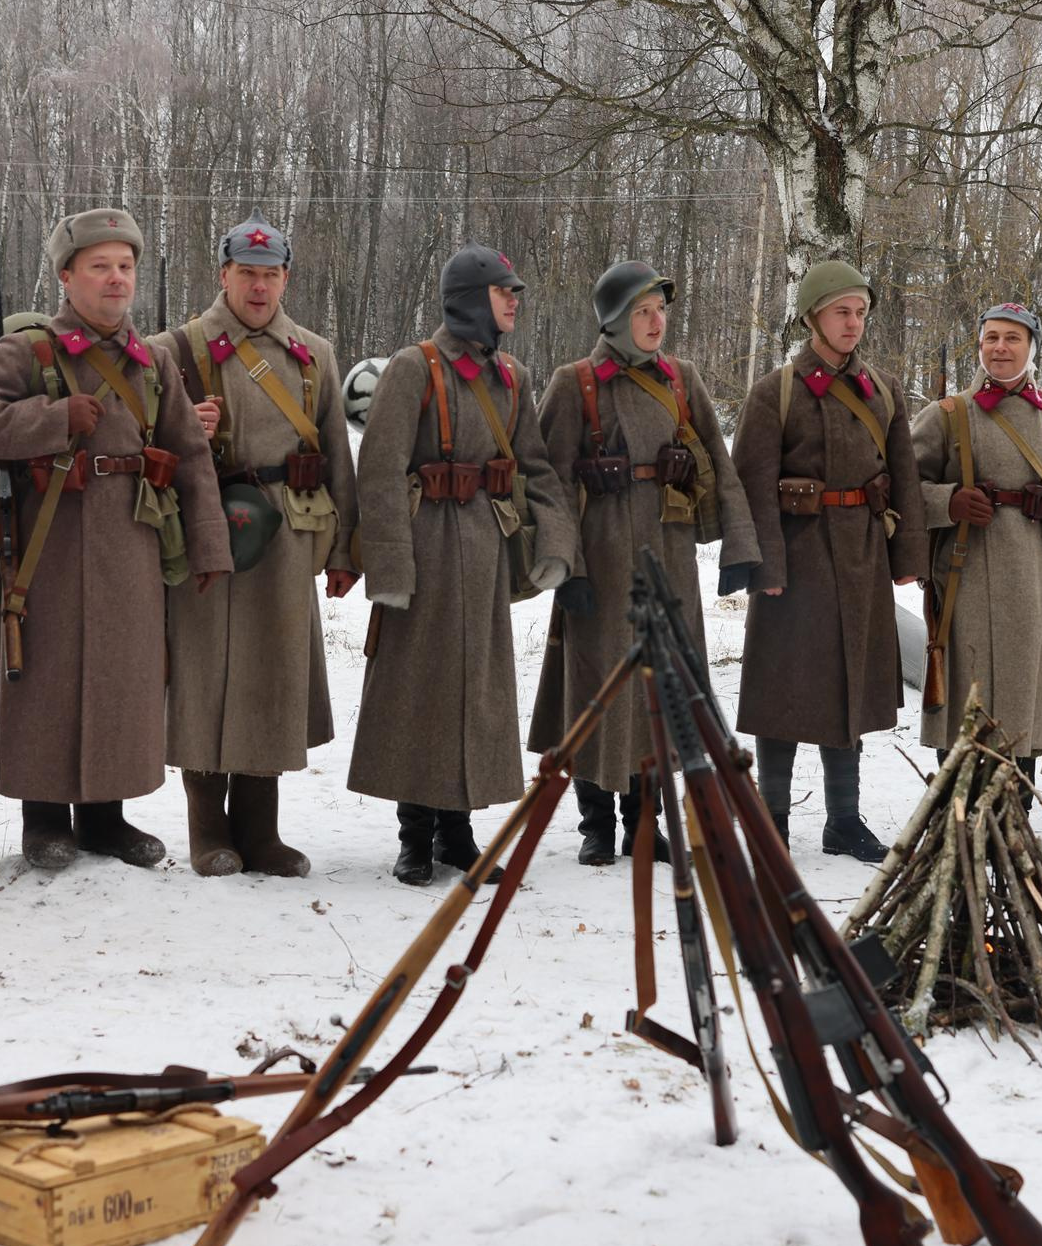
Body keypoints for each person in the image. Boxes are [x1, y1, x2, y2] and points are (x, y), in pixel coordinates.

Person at [0, 210, 231, 869]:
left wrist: (210, 546)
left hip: (133, 544)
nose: (116, 279)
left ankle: (106, 818)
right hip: (50, 546)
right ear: (67, 276)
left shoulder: (154, 360)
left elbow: (189, 456)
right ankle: (44, 822)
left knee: (123, 679)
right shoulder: (30, 350)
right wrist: (52, 418)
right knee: (47, 680)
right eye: (100, 266)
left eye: (126, 267)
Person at [350, 247, 578, 885]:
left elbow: (536, 467)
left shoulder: (514, 374)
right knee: (421, 692)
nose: (513, 302)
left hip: (484, 550)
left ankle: (458, 832)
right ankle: (414, 835)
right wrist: (390, 570)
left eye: (515, 293)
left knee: (476, 693)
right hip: (425, 549)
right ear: (472, 299)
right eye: (503, 292)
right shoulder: (412, 367)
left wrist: (556, 544)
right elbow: (381, 471)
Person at [528, 260, 759, 864]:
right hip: (600, 560)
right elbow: (548, 485)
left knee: (663, 688)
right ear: (614, 320)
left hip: (670, 556)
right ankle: (596, 824)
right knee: (597, 685)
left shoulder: (682, 379)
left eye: (661, 311)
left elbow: (721, 464)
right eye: (642, 312)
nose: (657, 322)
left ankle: (643, 820)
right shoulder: (574, 382)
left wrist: (740, 547)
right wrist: (565, 564)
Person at [162, 219, 359, 877]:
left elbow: (335, 452)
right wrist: (184, 428)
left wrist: (343, 551)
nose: (258, 285)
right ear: (223, 274)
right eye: (246, 272)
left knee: (274, 672)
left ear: (286, 279)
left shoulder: (314, 353)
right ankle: (207, 829)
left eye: (270, 273)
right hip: (209, 527)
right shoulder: (178, 349)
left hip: (288, 531)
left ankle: (261, 829)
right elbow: (140, 442)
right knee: (205, 670)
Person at [731, 259, 925, 860]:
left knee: (850, 688)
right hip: (796, 560)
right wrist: (764, 569)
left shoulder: (885, 391)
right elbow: (751, 485)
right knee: (782, 694)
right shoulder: (775, 392)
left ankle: (843, 819)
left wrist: (905, 556)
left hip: (862, 559)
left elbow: (905, 480)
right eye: (842, 311)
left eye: (861, 312)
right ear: (813, 316)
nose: (853, 323)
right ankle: (772, 823)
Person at [908, 303, 1042, 795]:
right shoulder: (947, 415)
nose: (1000, 347)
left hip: (1035, 580)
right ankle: (958, 808)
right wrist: (948, 501)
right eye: (991, 337)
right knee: (964, 698)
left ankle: (1014, 812)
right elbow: (904, 488)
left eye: (1012, 338)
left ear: (1031, 348)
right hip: (963, 577)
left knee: (1022, 701)